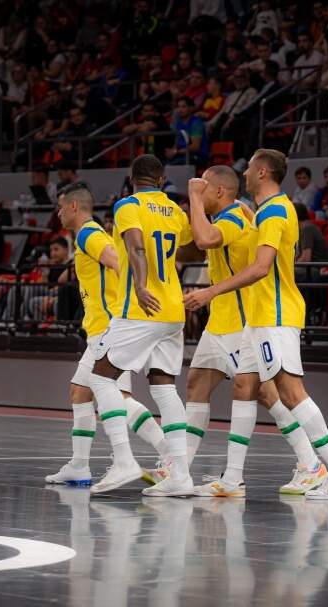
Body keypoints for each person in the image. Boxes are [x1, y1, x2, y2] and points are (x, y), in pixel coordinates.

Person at [184, 148, 328, 500]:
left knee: (291, 393)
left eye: (249, 167)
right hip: (260, 317)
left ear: (262, 172)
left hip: (276, 315)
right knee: (245, 388)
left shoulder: (276, 211)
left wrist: (209, 292)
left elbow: (262, 267)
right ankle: (232, 478)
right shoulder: (266, 211)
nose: (245, 172)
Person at [44, 182, 169, 487]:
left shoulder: (89, 233)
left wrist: (133, 294)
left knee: (119, 398)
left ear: (74, 206)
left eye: (61, 206)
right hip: (101, 327)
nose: (58, 213)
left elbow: (117, 261)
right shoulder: (87, 236)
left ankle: (169, 455)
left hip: (109, 327)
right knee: (80, 392)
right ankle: (79, 465)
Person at [88, 155, 194, 497]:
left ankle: (124, 461)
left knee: (100, 376)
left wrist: (141, 283)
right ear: (162, 179)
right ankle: (180, 474)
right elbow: (191, 248)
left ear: (131, 178)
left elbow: (135, 244)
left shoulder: (127, 205)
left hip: (140, 308)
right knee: (164, 388)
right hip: (173, 310)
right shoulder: (176, 211)